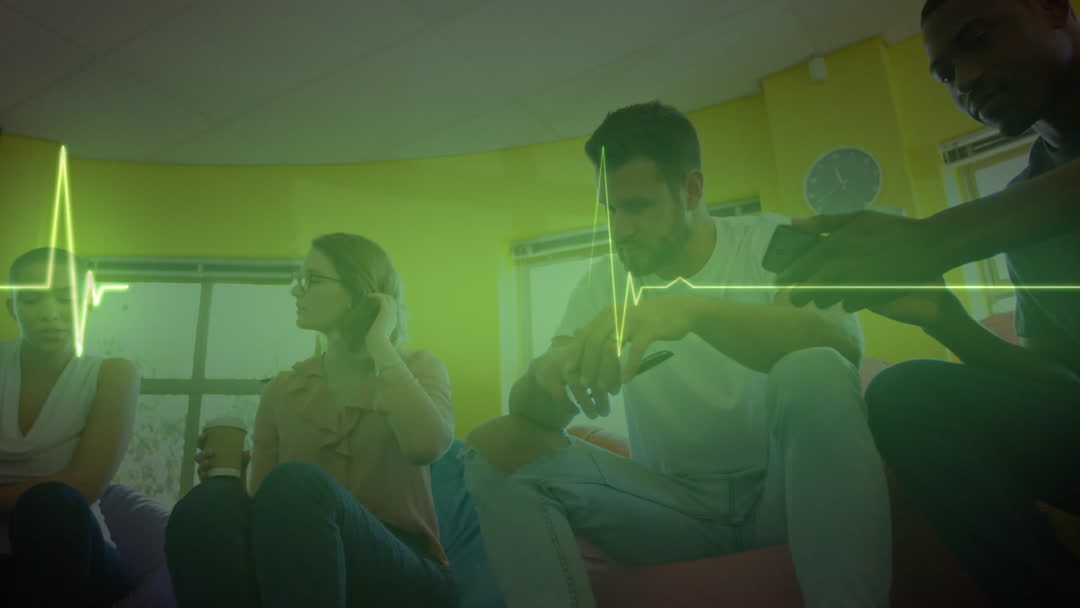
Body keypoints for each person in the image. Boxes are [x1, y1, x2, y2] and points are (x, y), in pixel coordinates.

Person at [463, 101, 892, 608]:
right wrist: (549, 377)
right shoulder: (603, 282)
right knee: (494, 443)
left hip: (785, 493)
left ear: (692, 189)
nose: (620, 229)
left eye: (638, 206)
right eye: (611, 210)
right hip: (672, 509)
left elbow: (841, 340)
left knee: (815, 364)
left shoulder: (771, 242)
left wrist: (693, 311)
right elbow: (530, 410)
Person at [776, 0, 1080, 604]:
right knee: (905, 394)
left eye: (979, 38)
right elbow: (1061, 388)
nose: (965, 79)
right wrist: (947, 320)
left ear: (1052, 8)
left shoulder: (1009, 216)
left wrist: (932, 240)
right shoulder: (1022, 205)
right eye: (944, 74)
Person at [164, 233, 459, 608]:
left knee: (298, 481)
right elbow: (268, 516)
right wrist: (232, 486)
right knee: (207, 505)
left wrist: (380, 343)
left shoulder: (417, 367)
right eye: (299, 279)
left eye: (312, 280)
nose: (296, 291)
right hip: (305, 559)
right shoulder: (283, 390)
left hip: (404, 568)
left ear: (360, 291)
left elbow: (426, 445)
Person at [0, 247, 139, 607]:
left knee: (54, 501)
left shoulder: (114, 374)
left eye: (66, 298)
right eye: (32, 299)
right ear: (12, 307)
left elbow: (85, 484)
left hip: (77, 555)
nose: (50, 313)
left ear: (89, 302)